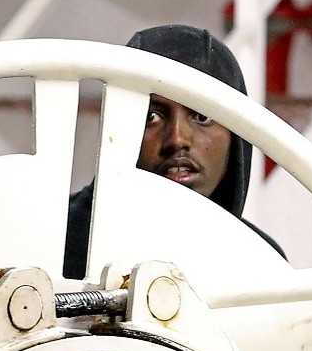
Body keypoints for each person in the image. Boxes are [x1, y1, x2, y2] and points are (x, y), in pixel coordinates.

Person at [63, 24, 286, 280]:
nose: (177, 139)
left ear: (236, 136)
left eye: (202, 116)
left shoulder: (261, 263)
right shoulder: (50, 241)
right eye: (152, 116)